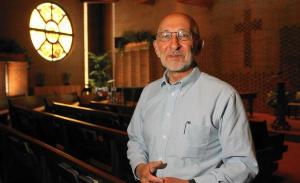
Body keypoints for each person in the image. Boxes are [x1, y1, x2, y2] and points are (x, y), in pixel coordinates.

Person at [127, 12, 258, 183]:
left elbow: (243, 164)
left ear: (198, 45)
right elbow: (136, 140)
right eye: (165, 36)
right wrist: (139, 168)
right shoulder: (148, 92)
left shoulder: (223, 96)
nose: (174, 45)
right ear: (156, 47)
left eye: (184, 35)